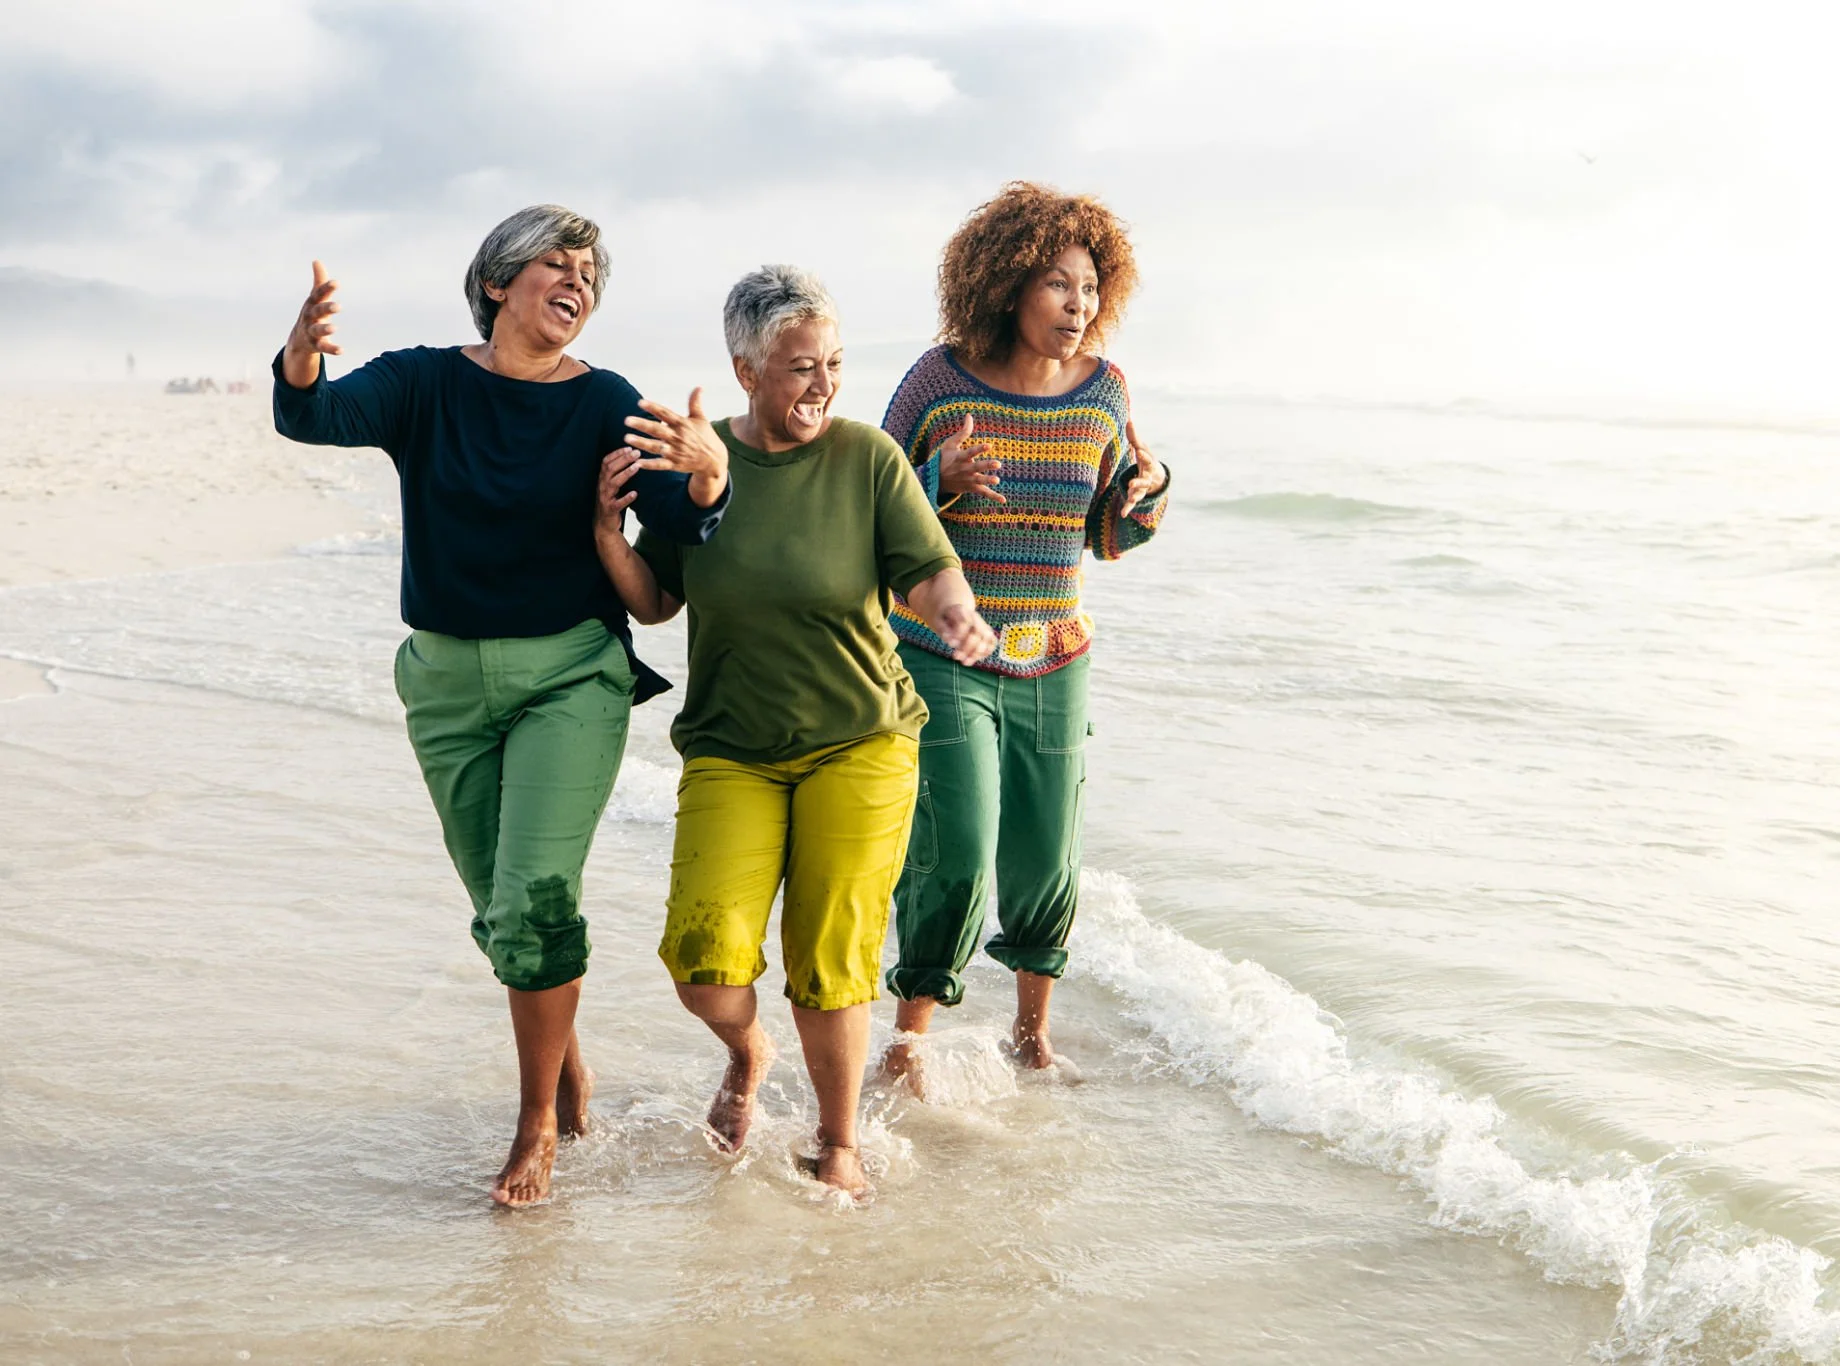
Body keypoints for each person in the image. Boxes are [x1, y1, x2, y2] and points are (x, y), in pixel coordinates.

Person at [271, 204, 731, 1207]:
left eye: (589, 275)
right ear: (497, 282)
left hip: (570, 674)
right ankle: (564, 1059)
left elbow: (677, 524)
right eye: (555, 265)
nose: (576, 282)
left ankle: (535, 1129)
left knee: (531, 895)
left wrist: (703, 480)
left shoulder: (607, 400)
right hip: (442, 682)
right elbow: (313, 414)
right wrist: (300, 357)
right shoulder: (425, 382)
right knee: (498, 913)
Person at [594, 265, 995, 1195]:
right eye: (800, 367)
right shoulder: (696, 465)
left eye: (834, 365)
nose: (822, 385)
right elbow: (656, 602)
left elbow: (928, 568)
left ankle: (838, 1139)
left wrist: (956, 612)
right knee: (704, 965)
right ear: (746, 369)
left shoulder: (865, 458)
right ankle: (747, 1052)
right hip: (733, 745)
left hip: (862, 736)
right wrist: (612, 539)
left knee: (833, 956)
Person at [879, 183, 1170, 1089]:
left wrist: (1150, 484)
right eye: (1057, 285)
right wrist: (939, 473)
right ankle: (910, 1034)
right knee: (957, 850)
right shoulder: (940, 379)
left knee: (1047, 853)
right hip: (942, 649)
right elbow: (869, 510)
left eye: (1088, 288)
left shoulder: (1106, 392)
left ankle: (1031, 1035)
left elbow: (1109, 534)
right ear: (1008, 286)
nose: (1077, 307)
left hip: (1056, 654)